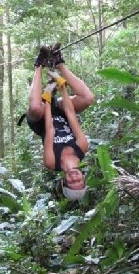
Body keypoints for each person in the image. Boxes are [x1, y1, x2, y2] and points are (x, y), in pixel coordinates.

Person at [26, 44, 95, 200]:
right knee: (89, 98)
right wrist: (61, 85)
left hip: (42, 121)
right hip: (63, 112)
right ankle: (59, 62)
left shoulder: (52, 163)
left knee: (37, 107)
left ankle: (39, 65)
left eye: (72, 182)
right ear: (83, 178)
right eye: (80, 181)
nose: (75, 178)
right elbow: (70, 114)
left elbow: (49, 129)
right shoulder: (82, 148)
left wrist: (48, 94)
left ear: (65, 181)